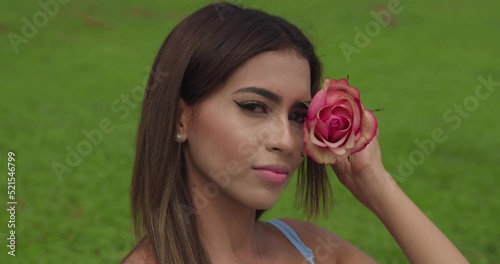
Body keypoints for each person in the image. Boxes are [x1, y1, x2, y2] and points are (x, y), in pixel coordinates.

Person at [121, 2, 469, 263]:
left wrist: (375, 184)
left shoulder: (311, 248)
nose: (286, 140)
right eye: (254, 107)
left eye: (299, 115)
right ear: (180, 118)